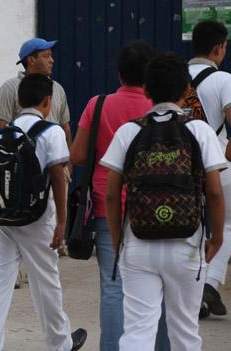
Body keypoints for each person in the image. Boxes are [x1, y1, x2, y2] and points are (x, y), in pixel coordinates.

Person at [102, 52, 225, 350]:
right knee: (184, 332)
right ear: (186, 90)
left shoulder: (129, 132)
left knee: (137, 332)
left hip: (138, 244)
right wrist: (218, 239)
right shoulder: (199, 131)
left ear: (146, 90)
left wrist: (119, 240)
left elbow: (110, 194)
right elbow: (214, 192)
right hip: (186, 245)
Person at [0, 74, 87, 351]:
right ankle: (60, 344)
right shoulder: (52, 133)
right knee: (46, 281)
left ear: (18, 101)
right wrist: (62, 222)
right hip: (38, 219)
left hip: (3, 217)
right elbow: (59, 178)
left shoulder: (6, 132)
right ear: (48, 102)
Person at [70, 41, 161, 350]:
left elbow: (78, 155)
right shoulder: (159, 110)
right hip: (156, 208)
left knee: (113, 287)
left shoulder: (98, 105)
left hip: (107, 208)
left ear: (120, 74)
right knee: (158, 286)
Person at [0, 37, 72, 289]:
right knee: (16, 214)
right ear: (31, 60)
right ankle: (14, 269)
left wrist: (66, 161)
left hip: (53, 165)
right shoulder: (9, 88)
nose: (52, 60)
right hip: (20, 171)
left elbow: (64, 125)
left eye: (51, 55)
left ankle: (46, 258)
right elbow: (0, 128)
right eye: (46, 55)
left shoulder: (57, 89)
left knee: (44, 223)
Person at [188, 19, 231, 318]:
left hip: (180, 169)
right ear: (218, 47)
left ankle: (193, 290)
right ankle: (209, 284)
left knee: (190, 229)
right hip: (220, 168)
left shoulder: (175, 77)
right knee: (225, 226)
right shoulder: (224, 80)